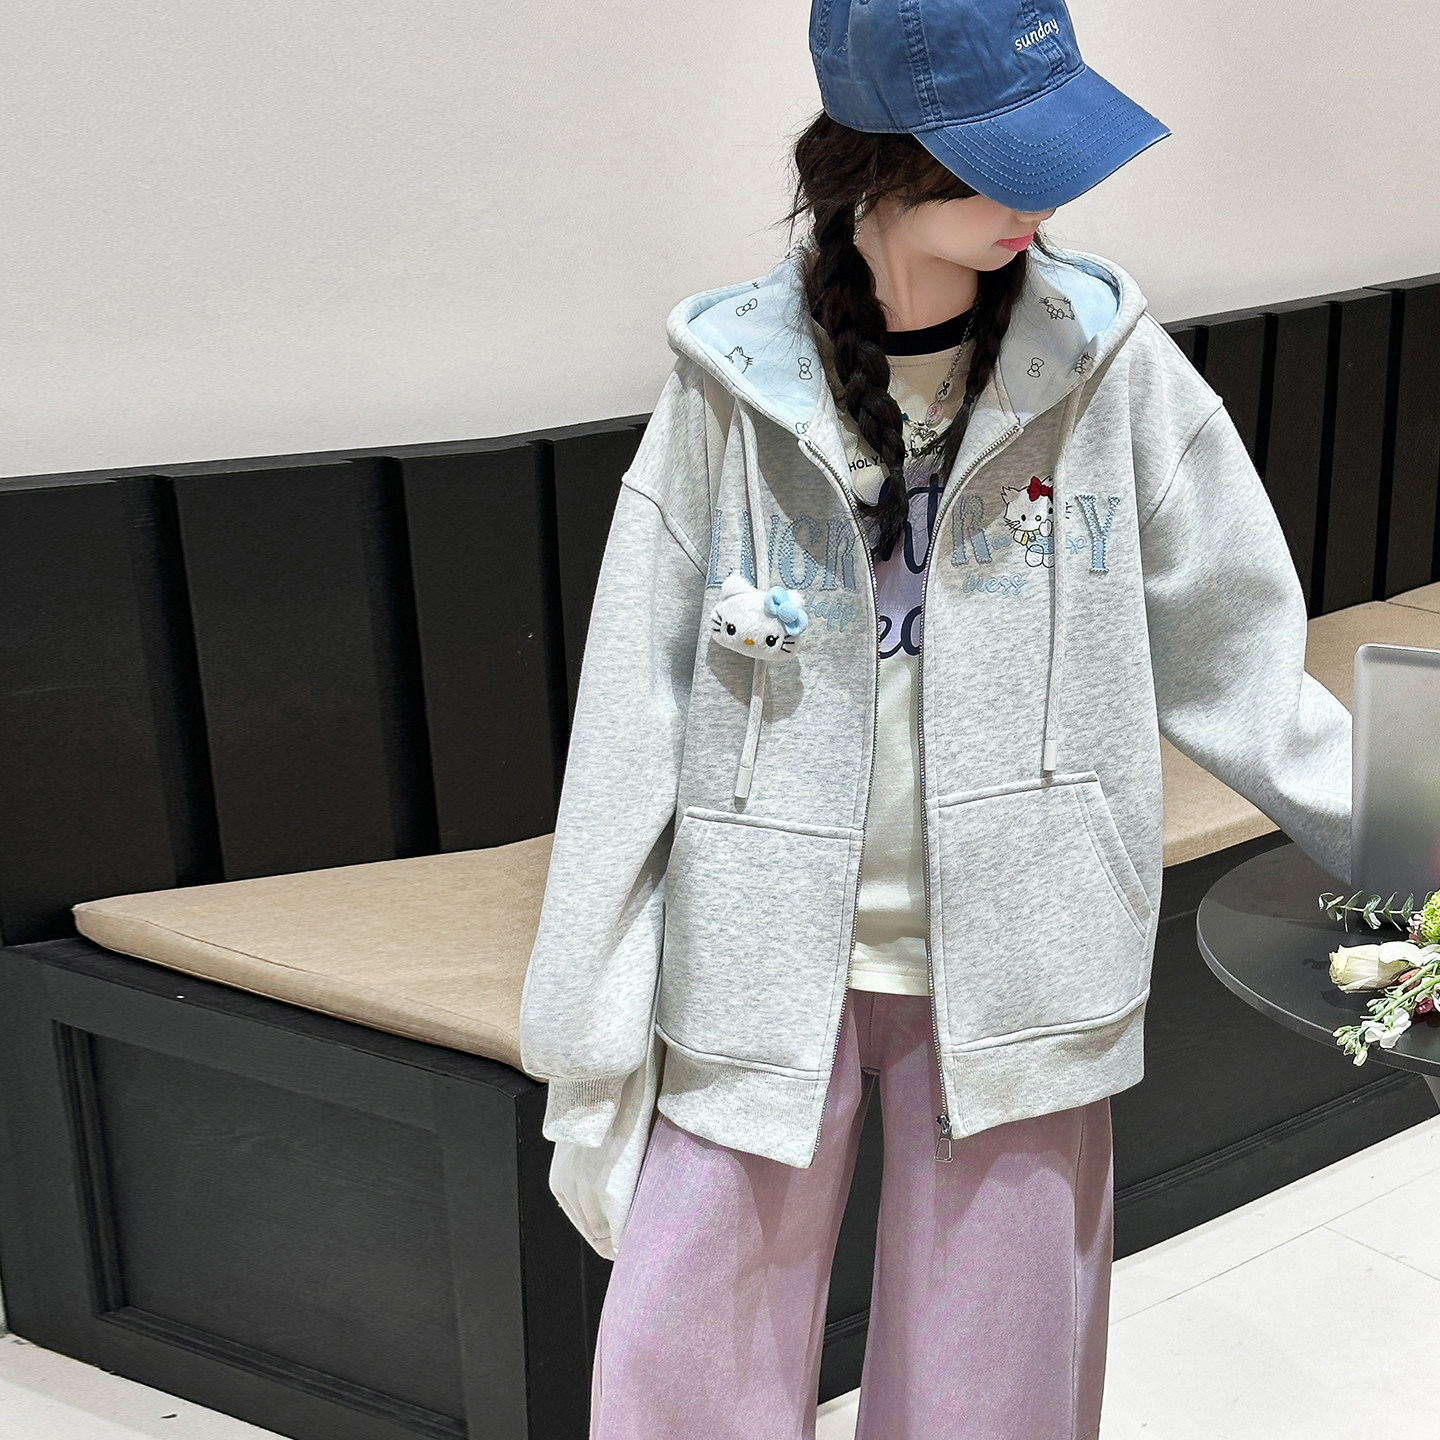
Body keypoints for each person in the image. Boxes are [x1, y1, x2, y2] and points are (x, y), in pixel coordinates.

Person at [519, 2, 1354, 1436]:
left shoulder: (1109, 366)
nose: (1045, 196)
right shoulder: (729, 388)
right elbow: (631, 714)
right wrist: (587, 1024)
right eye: (1000, 161)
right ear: (875, 165)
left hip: (1029, 952)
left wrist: (1414, 838)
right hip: (758, 953)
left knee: (997, 1389)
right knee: (685, 1373)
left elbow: (1246, 660)